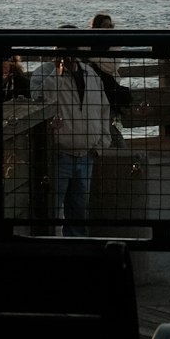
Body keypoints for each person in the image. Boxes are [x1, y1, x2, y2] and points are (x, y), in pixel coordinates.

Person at [29, 30, 110, 235]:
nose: (69, 56)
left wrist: (100, 145)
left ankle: (78, 248)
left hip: (86, 155)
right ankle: (49, 249)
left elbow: (103, 109)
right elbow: (39, 100)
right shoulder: (42, 74)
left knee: (79, 213)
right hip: (58, 155)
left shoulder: (90, 74)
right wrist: (59, 73)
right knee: (50, 210)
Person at [84, 11, 132, 147]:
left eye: (110, 25)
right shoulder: (88, 42)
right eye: (105, 25)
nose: (108, 28)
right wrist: (102, 60)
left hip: (111, 91)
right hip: (94, 91)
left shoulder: (114, 43)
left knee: (114, 127)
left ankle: (122, 154)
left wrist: (93, 58)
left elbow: (112, 66)